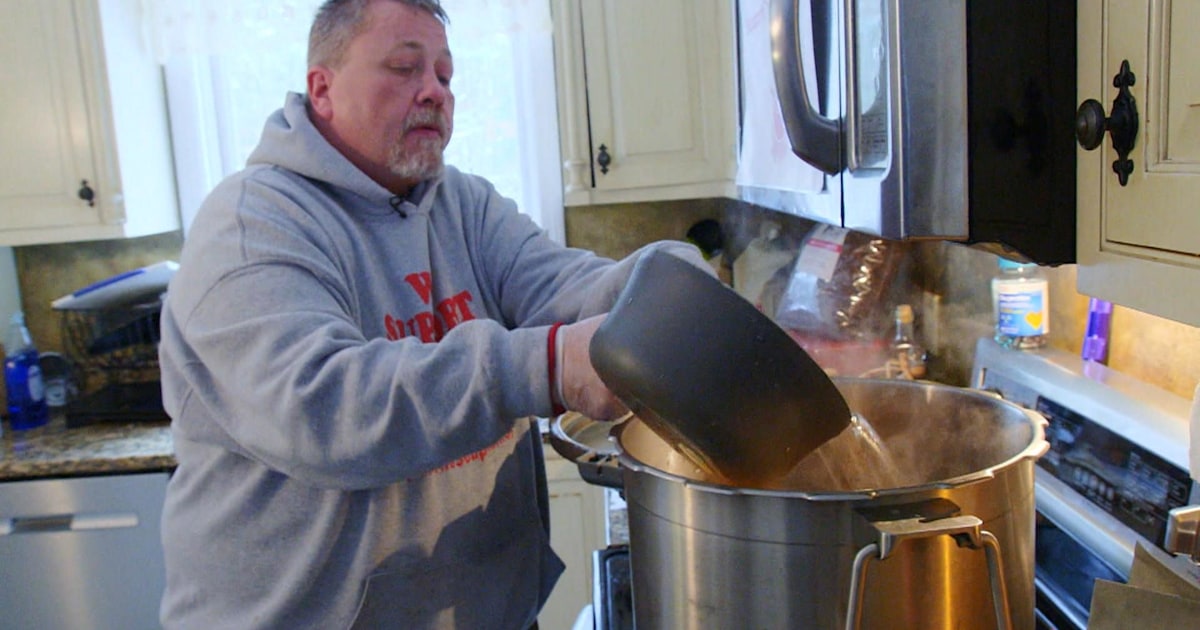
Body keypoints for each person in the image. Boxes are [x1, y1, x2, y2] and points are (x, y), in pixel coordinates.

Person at [156, 0, 708, 628]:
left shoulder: (463, 204)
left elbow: (560, 285)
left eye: (445, 76)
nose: (434, 93)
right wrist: (549, 363)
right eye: (403, 67)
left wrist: (661, 283)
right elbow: (323, 408)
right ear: (322, 88)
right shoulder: (251, 224)